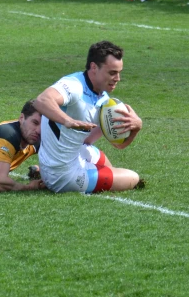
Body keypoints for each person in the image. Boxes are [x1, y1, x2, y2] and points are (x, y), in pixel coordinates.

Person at [34, 41, 142, 194]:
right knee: (133, 178)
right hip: (64, 176)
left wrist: (136, 127)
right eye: (112, 73)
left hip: (67, 158)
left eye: (119, 72)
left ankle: (42, 172)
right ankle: (70, 179)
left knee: (102, 160)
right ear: (93, 67)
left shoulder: (103, 100)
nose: (118, 78)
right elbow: (42, 100)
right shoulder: (73, 85)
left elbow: (119, 145)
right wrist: (68, 121)